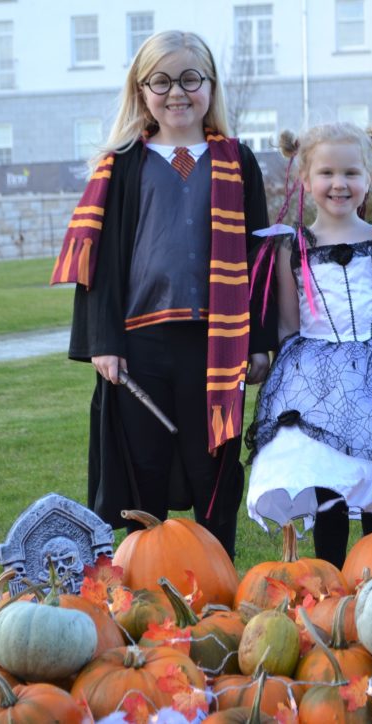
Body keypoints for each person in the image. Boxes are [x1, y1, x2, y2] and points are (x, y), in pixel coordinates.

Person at [50, 30, 276, 560]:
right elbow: (100, 264)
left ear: (210, 85)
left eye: (190, 79)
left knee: (211, 468)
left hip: (215, 344)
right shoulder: (124, 163)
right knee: (142, 467)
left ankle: (219, 583)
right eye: (162, 81)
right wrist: (104, 341)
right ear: (141, 89)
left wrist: (261, 341)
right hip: (139, 343)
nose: (177, 93)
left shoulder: (237, 161)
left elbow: (259, 258)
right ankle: (143, 583)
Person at [244, 122, 372, 570]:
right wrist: (277, 382)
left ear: (368, 178)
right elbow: (289, 327)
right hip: (318, 382)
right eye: (326, 173)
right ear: (305, 180)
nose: (339, 184)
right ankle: (328, 578)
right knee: (326, 480)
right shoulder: (294, 247)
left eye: (351, 173)